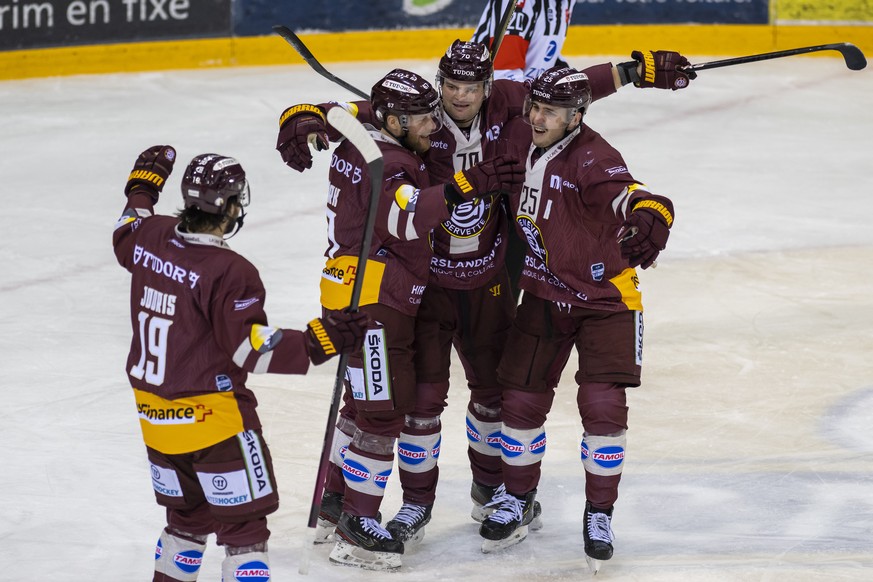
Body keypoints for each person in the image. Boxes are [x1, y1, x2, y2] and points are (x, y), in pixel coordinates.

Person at [276, 41, 694, 550]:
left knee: (494, 396)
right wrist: (314, 113)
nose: (458, 97)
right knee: (412, 403)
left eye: (470, 86)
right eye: (449, 86)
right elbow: (372, 113)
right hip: (427, 285)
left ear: (489, 86)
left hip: (491, 281)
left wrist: (632, 71)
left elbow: (567, 94)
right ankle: (400, 502)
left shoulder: (511, 105)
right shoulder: (420, 113)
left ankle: (494, 490)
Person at [294, 69, 523, 571]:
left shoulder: (360, 145)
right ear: (393, 120)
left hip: (350, 292)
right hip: (378, 304)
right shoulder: (392, 161)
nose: (433, 127)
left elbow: (345, 118)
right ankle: (358, 525)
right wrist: (471, 181)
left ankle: (335, 501)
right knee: (380, 415)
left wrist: (313, 114)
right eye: (421, 119)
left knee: (359, 407)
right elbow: (409, 216)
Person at [113, 146, 369, 582]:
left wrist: (142, 186)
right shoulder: (230, 270)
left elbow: (126, 230)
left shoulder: (150, 237)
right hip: (218, 425)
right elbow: (250, 350)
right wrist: (321, 340)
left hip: (155, 420)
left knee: (186, 522)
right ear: (230, 206)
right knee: (244, 530)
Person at [475, 66, 674, 570]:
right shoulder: (522, 136)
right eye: (535, 108)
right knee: (519, 401)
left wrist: (654, 210)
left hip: (606, 297)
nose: (538, 118)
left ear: (577, 117)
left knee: (602, 408)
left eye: (551, 112)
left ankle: (599, 512)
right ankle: (518, 499)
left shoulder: (593, 157)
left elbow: (628, 192)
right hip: (545, 292)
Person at [472, 0, 576, 82]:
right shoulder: (520, 1)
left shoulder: (566, 2)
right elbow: (503, 74)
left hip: (525, 94)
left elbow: (545, 49)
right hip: (484, 96)